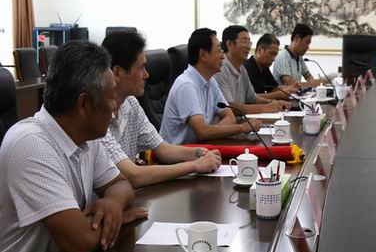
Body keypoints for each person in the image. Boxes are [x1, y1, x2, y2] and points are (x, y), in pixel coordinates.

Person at [0, 41, 146, 252]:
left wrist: (112, 203)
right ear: (84, 104)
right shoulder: (30, 144)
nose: (115, 105)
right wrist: (120, 217)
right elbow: (81, 242)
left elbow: (122, 185)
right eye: (111, 96)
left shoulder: (86, 137)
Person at [100, 30, 222, 188]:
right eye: (141, 67)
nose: (147, 75)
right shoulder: (97, 116)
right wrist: (195, 165)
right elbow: (133, 176)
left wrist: (199, 152)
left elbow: (163, 150)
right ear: (117, 73)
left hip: (128, 195)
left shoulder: (131, 104)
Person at [160, 28, 262, 145]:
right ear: (203, 55)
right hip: (177, 153)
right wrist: (242, 127)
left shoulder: (211, 81)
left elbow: (230, 116)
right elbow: (202, 131)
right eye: (219, 51)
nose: (223, 56)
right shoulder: (186, 85)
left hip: (200, 148)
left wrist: (211, 133)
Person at [216, 25, 292, 114]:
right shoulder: (219, 69)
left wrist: (273, 102)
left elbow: (253, 98)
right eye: (244, 42)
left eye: (249, 42)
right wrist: (265, 108)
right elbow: (229, 106)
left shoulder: (242, 69)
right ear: (230, 44)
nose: (248, 47)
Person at [244, 33, 301, 99]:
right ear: (260, 50)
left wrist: (290, 88)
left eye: (275, 55)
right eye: (271, 54)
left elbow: (273, 88)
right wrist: (277, 95)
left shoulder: (264, 67)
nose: (273, 59)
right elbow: (250, 98)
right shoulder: (247, 69)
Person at [272, 23, 323, 87]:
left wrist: (311, 83)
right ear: (297, 38)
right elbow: (293, 85)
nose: (308, 47)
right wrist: (311, 84)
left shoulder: (299, 57)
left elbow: (309, 77)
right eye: (307, 42)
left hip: (297, 93)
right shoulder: (282, 57)